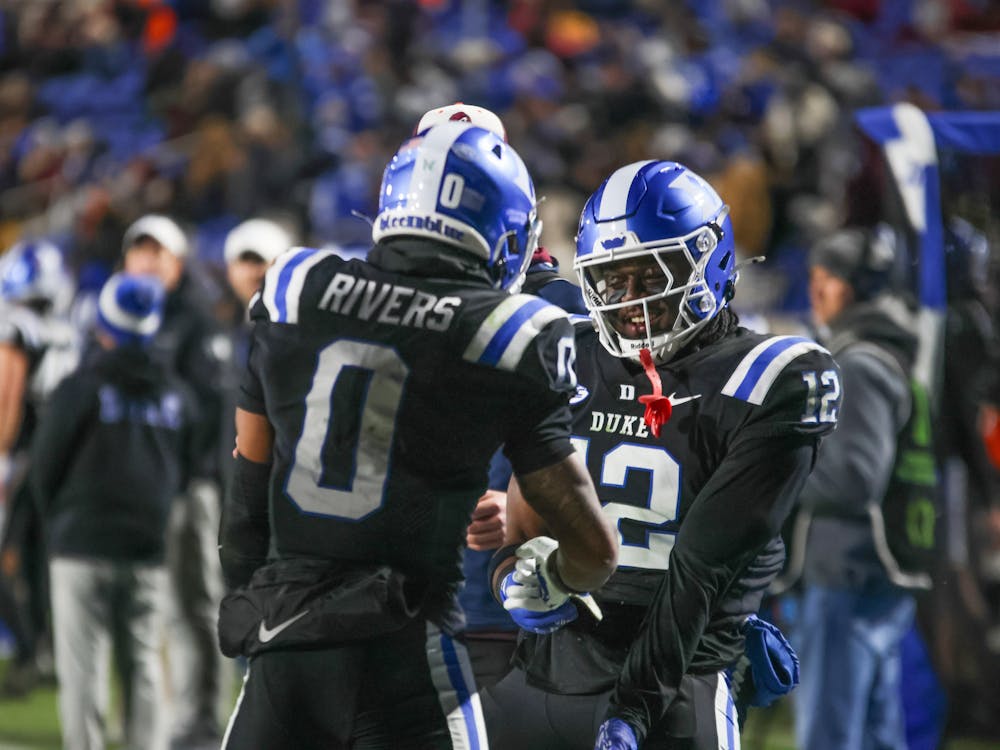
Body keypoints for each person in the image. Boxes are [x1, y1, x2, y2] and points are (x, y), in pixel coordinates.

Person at [217, 121, 618, 749]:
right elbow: (596, 550)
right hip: (406, 656)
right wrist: (555, 569)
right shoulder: (511, 333)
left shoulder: (296, 286)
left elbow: (249, 470)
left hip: (285, 647)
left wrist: (246, 587)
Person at [482, 160, 841, 750]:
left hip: (681, 676)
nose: (630, 303)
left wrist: (634, 711)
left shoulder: (770, 378)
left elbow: (699, 573)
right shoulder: (570, 343)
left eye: (651, 278)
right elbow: (527, 515)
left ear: (712, 259)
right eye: (613, 280)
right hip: (548, 667)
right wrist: (511, 579)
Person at [414, 102, 590, 690]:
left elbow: (615, 446)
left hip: (514, 601)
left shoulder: (569, 311)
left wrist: (524, 503)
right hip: (402, 599)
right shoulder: (386, 300)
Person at [30, 273, 197, 750]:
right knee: (142, 665)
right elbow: (185, 472)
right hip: (147, 546)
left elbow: (45, 467)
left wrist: (58, 523)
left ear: (103, 325)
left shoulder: (79, 387)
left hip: (81, 544)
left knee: (83, 668)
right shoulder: (177, 395)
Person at [778, 227, 920, 750]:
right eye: (813, 279)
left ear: (858, 288)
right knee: (878, 732)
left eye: (830, 280)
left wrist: (775, 472)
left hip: (848, 569)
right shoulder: (889, 350)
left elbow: (854, 479)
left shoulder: (859, 362)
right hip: (875, 567)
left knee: (829, 733)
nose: (816, 291)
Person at [120, 214, 230, 746]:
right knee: (151, 609)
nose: (146, 261)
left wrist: (181, 479)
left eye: (156, 252)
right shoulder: (123, 318)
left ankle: (201, 721)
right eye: (138, 251)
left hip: (185, 487)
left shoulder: (195, 318)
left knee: (192, 606)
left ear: (177, 260)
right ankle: (163, 721)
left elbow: (208, 414)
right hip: (142, 488)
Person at [0, 239, 78, 696]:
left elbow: (8, 396)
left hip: (24, 454)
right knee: (38, 559)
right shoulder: (64, 329)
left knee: (10, 556)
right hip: (58, 456)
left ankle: (30, 651)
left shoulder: (17, 326)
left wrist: (3, 455)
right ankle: (46, 649)